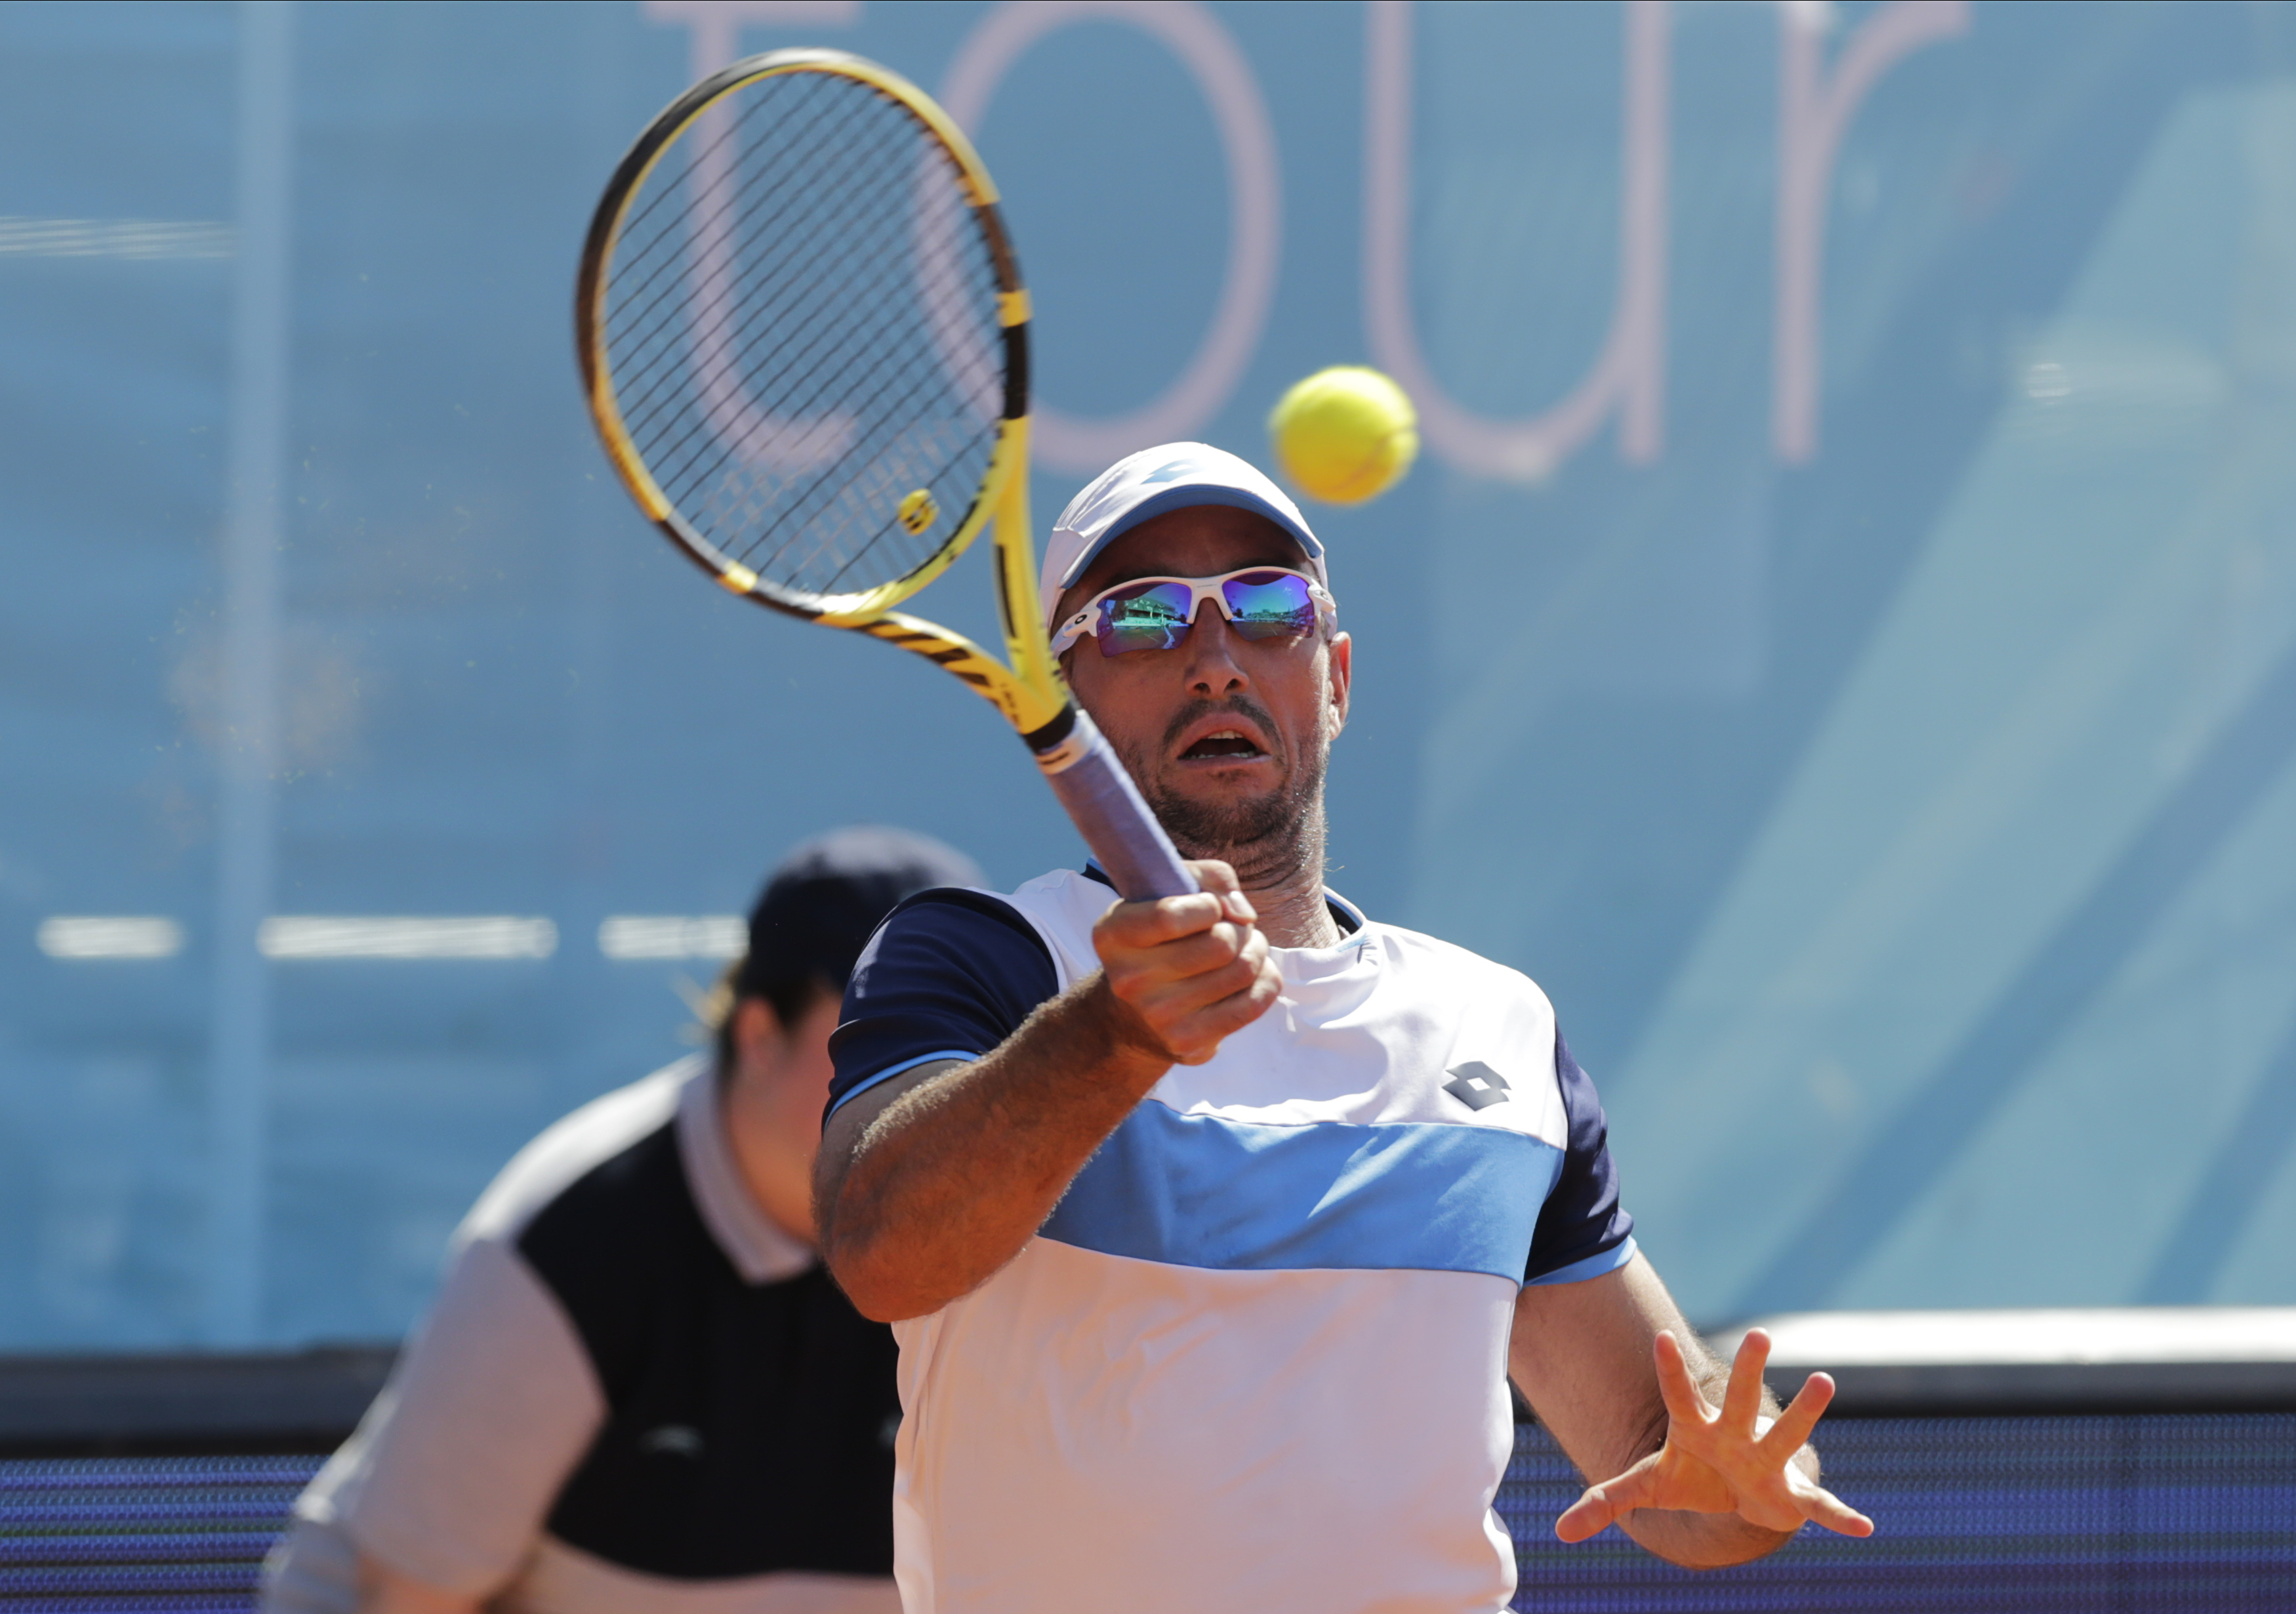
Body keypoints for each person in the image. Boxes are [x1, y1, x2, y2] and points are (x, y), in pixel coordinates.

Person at [815, 445, 1873, 1614]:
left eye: (1270, 608)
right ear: (1070, 692)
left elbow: (1654, 1457)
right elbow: (883, 1253)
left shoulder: (1498, 1027)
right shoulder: (983, 958)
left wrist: (1753, 1480)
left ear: (1337, 677)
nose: (1216, 659)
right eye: (1146, 618)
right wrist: (1108, 1039)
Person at [264, 827, 983, 1614]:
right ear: (757, 1037)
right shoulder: (572, 1240)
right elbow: (407, 1596)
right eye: (876, 1036)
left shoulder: (1022, 1225)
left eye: (957, 1035)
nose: (922, 1080)